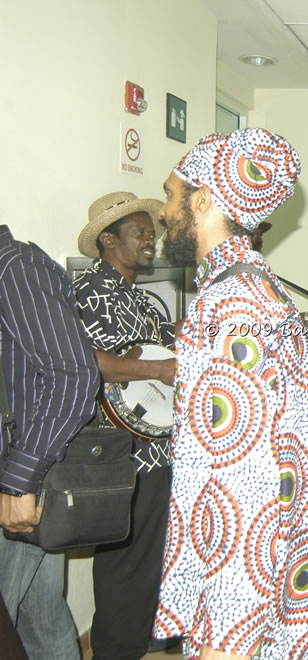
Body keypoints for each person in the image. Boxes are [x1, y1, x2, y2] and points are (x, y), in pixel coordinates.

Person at [152, 129, 308, 659]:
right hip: (292, 550)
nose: (162, 212)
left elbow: (243, 486)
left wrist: (229, 636)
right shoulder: (255, 283)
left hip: (252, 572)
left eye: (170, 195)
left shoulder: (229, 306)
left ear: (203, 200)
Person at [73, 192, 178, 659]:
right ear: (108, 239)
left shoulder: (141, 301)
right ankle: (114, 649)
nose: (150, 239)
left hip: (156, 450)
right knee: (123, 565)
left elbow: (163, 346)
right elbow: (89, 363)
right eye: (140, 232)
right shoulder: (89, 292)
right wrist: (156, 371)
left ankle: (138, 641)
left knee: (150, 560)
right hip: (120, 454)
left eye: (151, 231)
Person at [0, 226, 100, 660]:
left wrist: (19, 483)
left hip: (18, 481)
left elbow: (75, 376)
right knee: (43, 623)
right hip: (24, 476)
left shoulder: (14, 268)